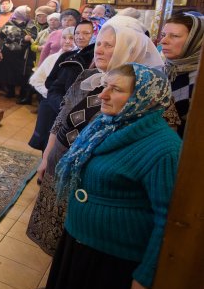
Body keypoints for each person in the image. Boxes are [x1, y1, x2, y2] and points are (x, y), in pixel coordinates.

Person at [36, 64, 181, 289]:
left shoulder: (164, 148)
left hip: (113, 255)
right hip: (81, 240)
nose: (103, 94)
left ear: (144, 98)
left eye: (116, 89)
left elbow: (166, 217)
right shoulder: (106, 124)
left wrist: (146, 274)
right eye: (105, 86)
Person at [26, 16, 163, 260]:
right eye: (99, 43)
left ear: (129, 49)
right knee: (55, 231)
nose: (99, 49)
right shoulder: (90, 76)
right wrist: (48, 153)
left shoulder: (143, 94)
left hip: (91, 179)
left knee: (78, 242)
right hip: (61, 158)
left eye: (109, 45)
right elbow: (63, 115)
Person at [28, 21, 95, 151]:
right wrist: (57, 98)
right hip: (54, 104)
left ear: (93, 35)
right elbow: (48, 82)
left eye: (86, 33)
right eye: (77, 33)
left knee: (61, 147)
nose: (80, 37)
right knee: (47, 145)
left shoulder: (92, 59)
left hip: (72, 112)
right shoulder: (63, 57)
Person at [160, 12, 204, 138]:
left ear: (195, 40)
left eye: (174, 36)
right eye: (163, 35)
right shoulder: (166, 69)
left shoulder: (199, 80)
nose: (163, 41)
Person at [0, 5, 38, 102]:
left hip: (24, 53)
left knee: (21, 73)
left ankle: (22, 94)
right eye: (27, 12)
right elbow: (1, 38)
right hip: (8, 52)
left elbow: (34, 36)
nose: (29, 14)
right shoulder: (8, 23)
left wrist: (27, 39)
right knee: (8, 72)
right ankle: (10, 91)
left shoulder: (31, 24)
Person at [29, 26, 76, 99]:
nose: (67, 41)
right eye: (64, 38)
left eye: (71, 38)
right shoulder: (51, 58)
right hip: (50, 98)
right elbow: (36, 80)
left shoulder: (80, 59)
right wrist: (48, 93)